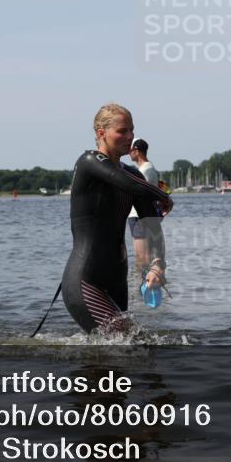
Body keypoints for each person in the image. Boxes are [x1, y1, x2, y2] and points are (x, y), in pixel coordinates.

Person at [61, 104, 172, 334]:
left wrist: (158, 265)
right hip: (85, 280)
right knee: (131, 343)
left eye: (132, 130)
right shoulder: (88, 163)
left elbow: (151, 224)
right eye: (123, 131)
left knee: (123, 350)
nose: (130, 137)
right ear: (101, 133)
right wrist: (161, 193)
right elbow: (122, 181)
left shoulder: (133, 175)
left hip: (116, 279)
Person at [127, 137, 162, 275]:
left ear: (137, 150)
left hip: (139, 216)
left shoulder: (145, 171)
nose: (129, 153)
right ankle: (143, 285)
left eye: (130, 150)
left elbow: (139, 193)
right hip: (142, 215)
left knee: (141, 258)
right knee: (144, 257)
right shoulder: (146, 168)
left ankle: (141, 288)